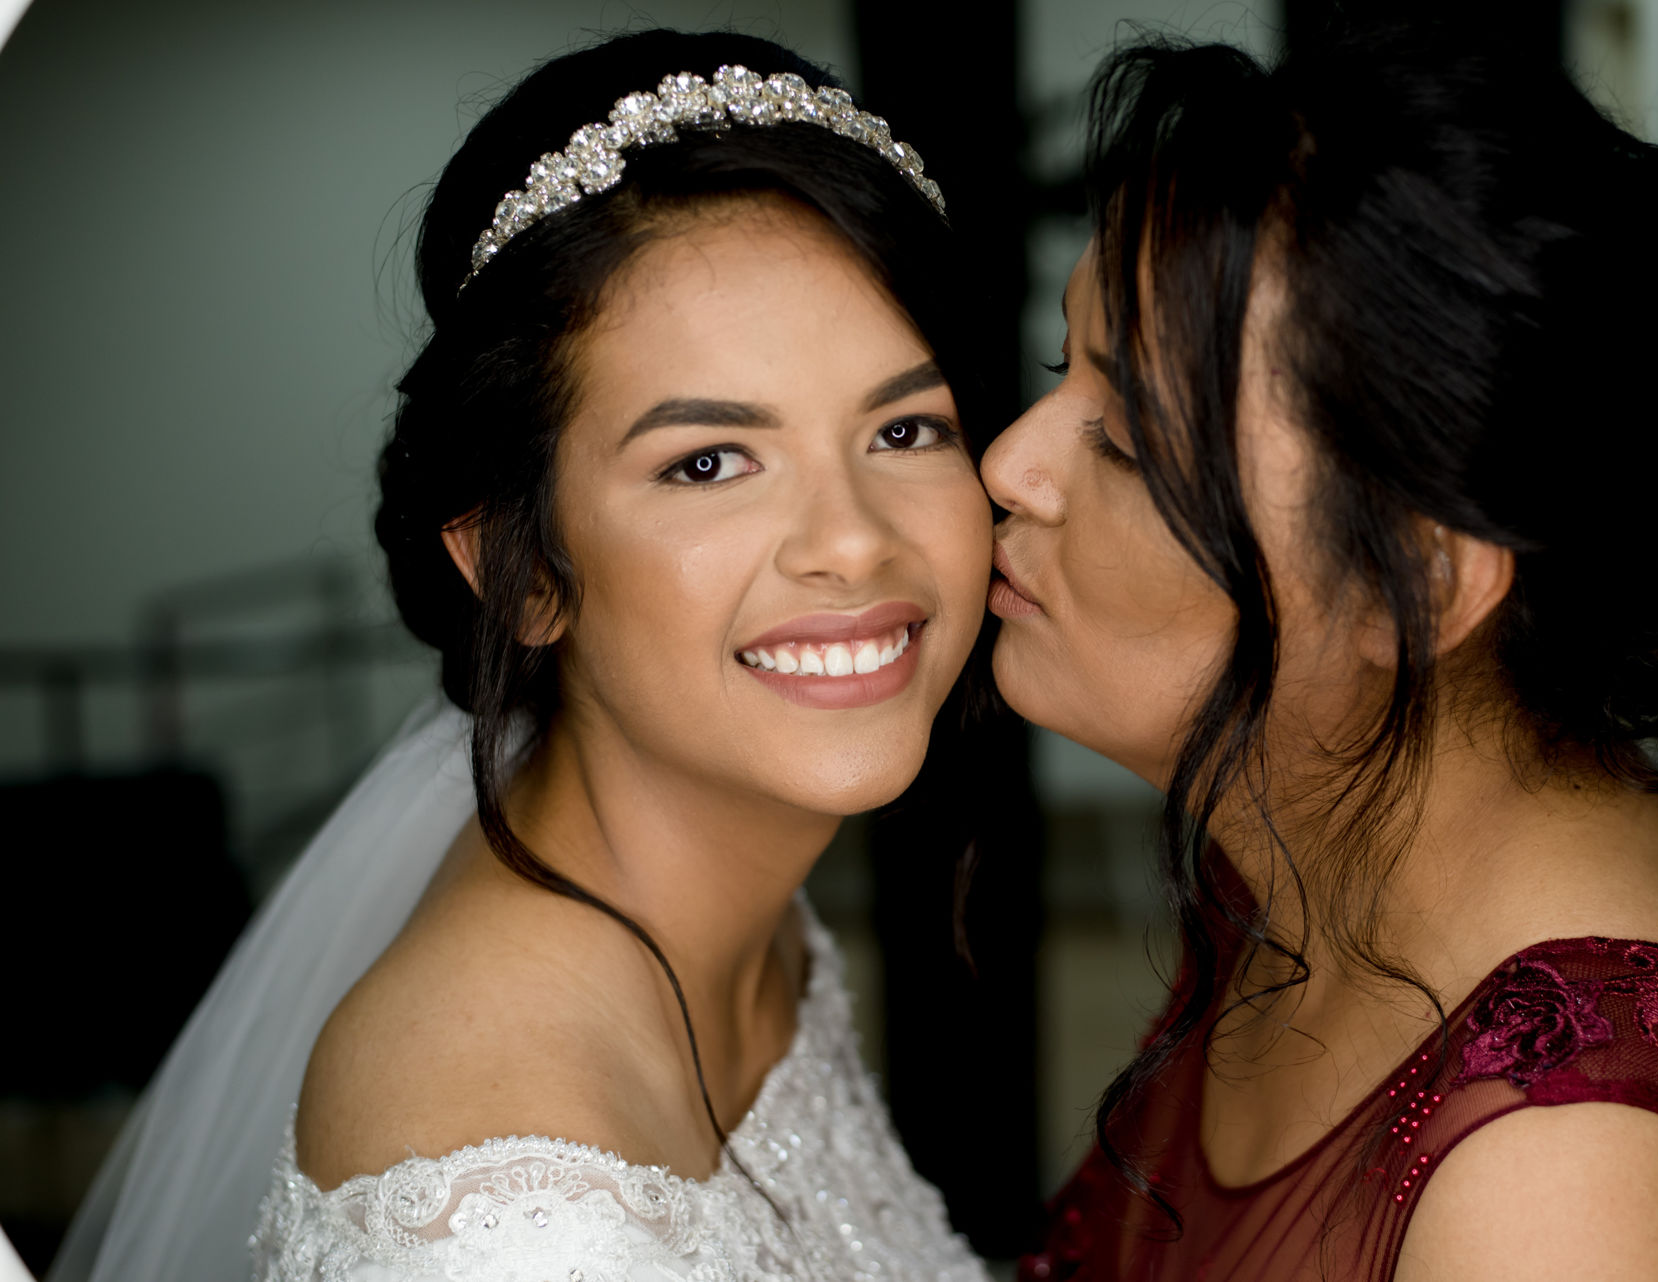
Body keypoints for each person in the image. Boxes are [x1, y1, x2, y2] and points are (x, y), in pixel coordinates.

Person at [51, 29, 994, 1282]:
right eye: (708, 461)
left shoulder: (737, 905)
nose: (852, 542)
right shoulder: (513, 1210)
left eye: (906, 426)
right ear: (522, 569)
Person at [989, 23, 1658, 1282]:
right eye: (1060, 368)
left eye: (1130, 443)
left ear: (1415, 586)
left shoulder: (1570, 1201)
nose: (1007, 467)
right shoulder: (1316, 842)